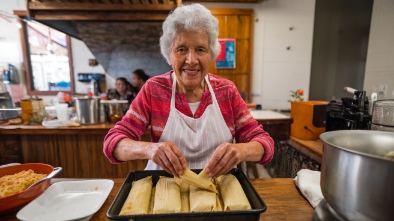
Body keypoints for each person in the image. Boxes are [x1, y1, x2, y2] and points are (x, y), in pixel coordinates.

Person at [103, 4, 274, 179]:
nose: (191, 60)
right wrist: (149, 149)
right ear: (170, 55)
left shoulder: (226, 90)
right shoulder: (154, 89)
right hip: (165, 188)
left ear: (211, 55)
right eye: (182, 49)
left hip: (218, 190)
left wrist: (242, 150)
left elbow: (264, 143)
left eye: (200, 49)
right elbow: (113, 143)